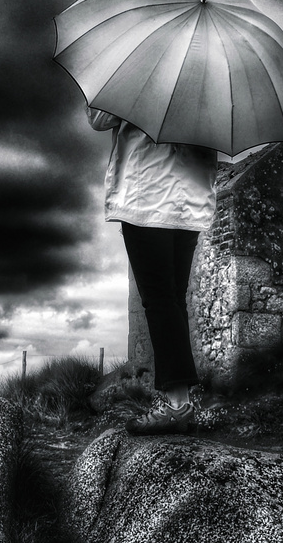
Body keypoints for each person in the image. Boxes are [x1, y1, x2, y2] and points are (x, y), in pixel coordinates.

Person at [86, 106, 218, 434]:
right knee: (172, 300)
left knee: (159, 300)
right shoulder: (206, 85)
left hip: (147, 199)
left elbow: (98, 118)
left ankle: (177, 406)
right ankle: (184, 401)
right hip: (189, 202)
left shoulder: (142, 82)